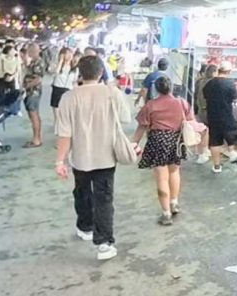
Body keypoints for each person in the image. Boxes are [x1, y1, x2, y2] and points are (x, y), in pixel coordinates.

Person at [54, 54, 133, 261]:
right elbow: (125, 118)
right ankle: (104, 243)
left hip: (80, 157)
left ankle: (85, 226)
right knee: (104, 198)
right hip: (106, 156)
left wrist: (60, 160)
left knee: (82, 192)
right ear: (101, 72)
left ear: (80, 72)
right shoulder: (111, 93)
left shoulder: (68, 97)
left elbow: (64, 134)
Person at [133, 75, 192, 225]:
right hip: (176, 141)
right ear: (172, 87)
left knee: (161, 178)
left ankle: (166, 213)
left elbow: (142, 126)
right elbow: (191, 121)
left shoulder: (151, 105)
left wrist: (134, 143)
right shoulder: (182, 103)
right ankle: (174, 202)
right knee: (174, 172)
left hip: (157, 141)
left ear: (156, 89)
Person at [201, 63, 237, 172]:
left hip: (213, 117)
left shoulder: (209, 84)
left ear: (219, 70)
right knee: (236, 138)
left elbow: (205, 96)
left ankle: (217, 166)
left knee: (214, 141)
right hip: (227, 116)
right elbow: (236, 98)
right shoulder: (230, 84)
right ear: (229, 72)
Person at [21, 43, 46, 148]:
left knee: (34, 114)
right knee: (33, 115)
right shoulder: (34, 62)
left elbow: (38, 79)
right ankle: (37, 137)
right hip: (30, 91)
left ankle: (36, 139)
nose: (29, 53)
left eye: (30, 51)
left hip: (33, 91)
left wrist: (26, 87)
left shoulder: (39, 62)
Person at [191, 63, 216, 165]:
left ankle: (202, 152)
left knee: (202, 131)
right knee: (205, 132)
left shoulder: (199, 82)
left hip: (200, 109)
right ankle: (203, 153)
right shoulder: (212, 83)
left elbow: (196, 95)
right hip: (208, 110)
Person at [51, 47, 78, 124]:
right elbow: (55, 73)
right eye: (67, 54)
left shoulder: (74, 68)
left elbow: (74, 81)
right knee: (55, 107)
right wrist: (61, 61)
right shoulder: (57, 65)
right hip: (57, 87)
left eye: (71, 53)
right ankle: (57, 123)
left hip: (68, 89)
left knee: (66, 109)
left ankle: (64, 123)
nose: (69, 56)